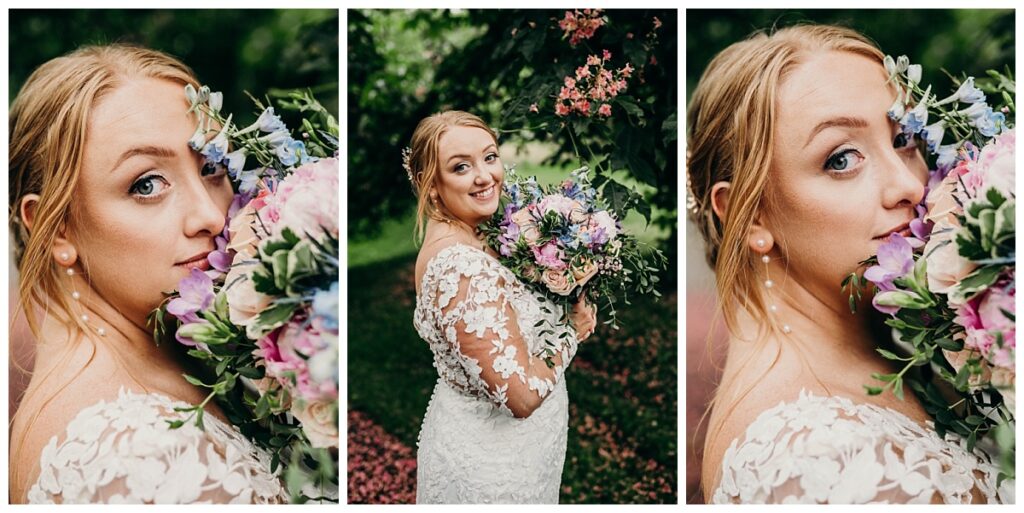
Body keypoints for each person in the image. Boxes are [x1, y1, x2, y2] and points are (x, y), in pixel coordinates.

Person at [687, 25, 1012, 504]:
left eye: (904, 138)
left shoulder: (910, 341)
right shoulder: (816, 459)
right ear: (749, 214)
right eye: (841, 159)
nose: (909, 184)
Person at [8, 44, 285, 504]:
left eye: (212, 166)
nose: (211, 216)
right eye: (147, 184)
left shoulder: (179, 356)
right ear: (56, 228)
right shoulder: (141, 455)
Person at [407, 111, 597, 503]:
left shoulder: (479, 233)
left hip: (524, 452)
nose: (485, 176)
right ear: (433, 186)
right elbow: (521, 397)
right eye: (461, 167)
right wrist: (571, 332)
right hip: (492, 466)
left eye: (489, 157)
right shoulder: (461, 268)